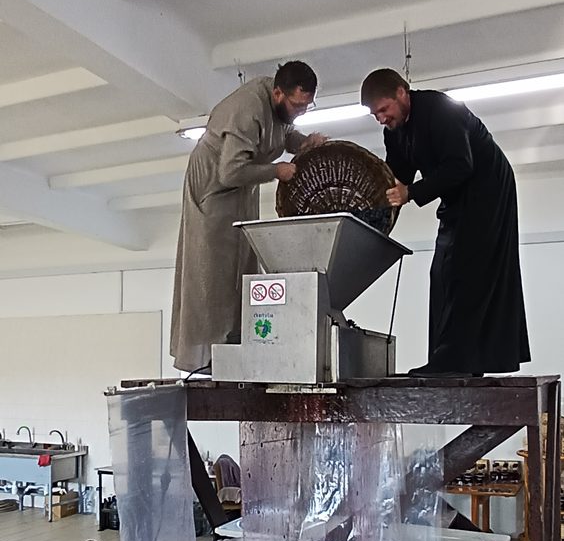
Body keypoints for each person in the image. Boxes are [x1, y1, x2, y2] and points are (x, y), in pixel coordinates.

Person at [360, 68, 530, 377]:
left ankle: (455, 361)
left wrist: (411, 193)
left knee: (466, 268)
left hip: (488, 189)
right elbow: (396, 177)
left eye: (383, 109)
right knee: (441, 272)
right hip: (455, 196)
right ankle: (449, 358)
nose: (381, 118)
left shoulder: (440, 110)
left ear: (401, 93)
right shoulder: (394, 131)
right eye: (375, 115)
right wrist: (371, 212)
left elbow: (460, 165)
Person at [170, 61, 325, 373]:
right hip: (214, 188)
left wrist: (303, 142)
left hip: (242, 189)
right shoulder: (248, 109)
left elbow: (283, 132)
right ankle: (207, 358)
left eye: (306, 107)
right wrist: (275, 171)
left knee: (243, 266)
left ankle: (235, 347)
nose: (299, 112)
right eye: (297, 106)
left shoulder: (279, 105)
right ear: (278, 93)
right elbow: (229, 172)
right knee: (211, 270)